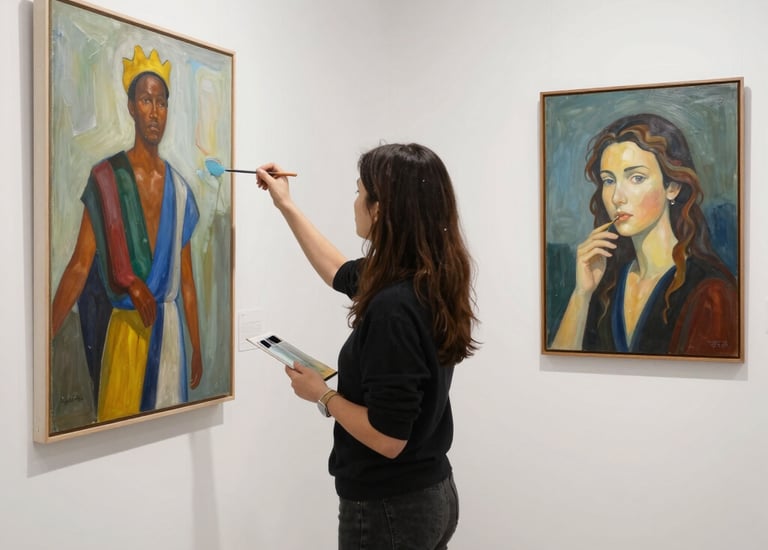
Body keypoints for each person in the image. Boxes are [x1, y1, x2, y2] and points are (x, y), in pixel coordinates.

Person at [256, 143, 478, 549]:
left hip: (390, 507)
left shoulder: (393, 306)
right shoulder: (427, 277)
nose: (355, 202)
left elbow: (388, 438)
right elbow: (338, 272)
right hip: (431, 491)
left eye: (360, 192)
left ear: (380, 209)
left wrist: (321, 394)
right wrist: (285, 205)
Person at [51, 45, 203, 422]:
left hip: (169, 342)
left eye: (161, 102)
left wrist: (196, 346)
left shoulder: (181, 192)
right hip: (125, 338)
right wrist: (44, 338)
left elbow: (186, 282)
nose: (154, 111)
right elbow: (79, 265)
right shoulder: (106, 179)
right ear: (132, 107)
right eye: (145, 100)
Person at [551, 113, 738, 356]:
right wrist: (581, 294)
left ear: (672, 187)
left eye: (636, 178)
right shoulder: (606, 283)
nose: (617, 197)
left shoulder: (710, 291)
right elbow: (565, 366)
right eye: (609, 180)